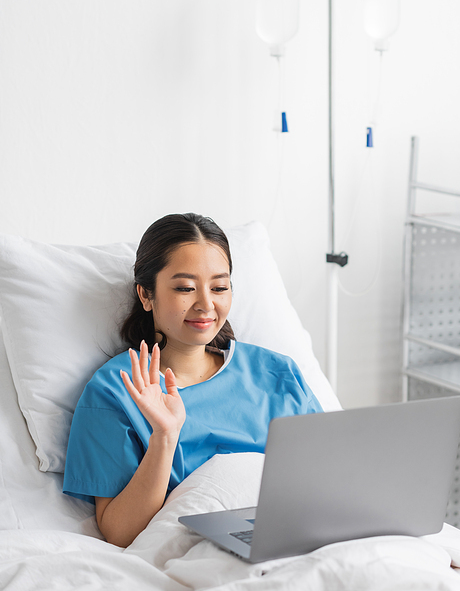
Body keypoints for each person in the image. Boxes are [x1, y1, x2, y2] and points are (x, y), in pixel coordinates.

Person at [63, 213, 322, 547]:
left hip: (296, 534)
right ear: (146, 295)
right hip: (199, 549)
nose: (206, 304)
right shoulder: (116, 391)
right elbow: (121, 532)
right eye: (185, 288)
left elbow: (330, 479)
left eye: (219, 287)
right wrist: (165, 436)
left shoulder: (277, 373)